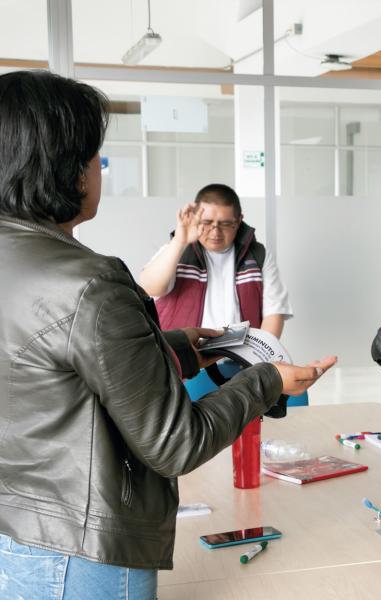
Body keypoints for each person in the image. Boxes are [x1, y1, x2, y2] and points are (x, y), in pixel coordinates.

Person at [0, 70, 336, 599]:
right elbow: (175, 443)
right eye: (95, 155)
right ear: (66, 167)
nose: (99, 169)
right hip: (83, 550)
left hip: (16, 528)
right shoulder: (89, 282)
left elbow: (55, 370)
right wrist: (267, 379)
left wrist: (183, 346)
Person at [139, 184, 292, 337]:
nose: (215, 231)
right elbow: (150, 288)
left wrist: (261, 356)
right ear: (196, 219)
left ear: (238, 221)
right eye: (207, 223)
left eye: (225, 224)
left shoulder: (258, 255)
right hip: (185, 355)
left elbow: (274, 312)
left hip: (241, 356)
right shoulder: (176, 249)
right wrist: (180, 241)